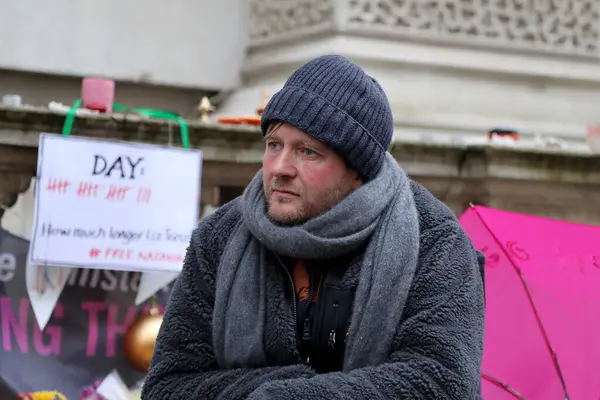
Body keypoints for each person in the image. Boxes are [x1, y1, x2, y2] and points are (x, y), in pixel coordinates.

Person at [142, 54, 485, 399]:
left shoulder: (433, 240)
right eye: (274, 145)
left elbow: (443, 384)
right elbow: (168, 387)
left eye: (307, 152)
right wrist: (287, 384)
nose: (280, 168)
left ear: (357, 173)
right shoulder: (220, 236)